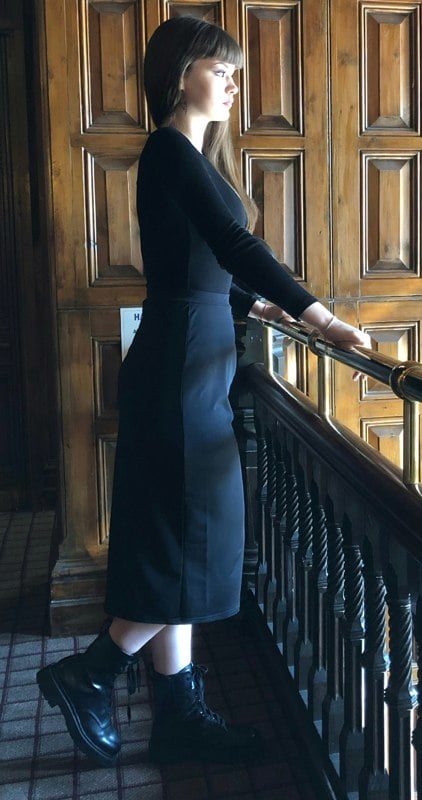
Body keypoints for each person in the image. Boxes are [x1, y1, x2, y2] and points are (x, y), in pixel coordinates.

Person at [36, 15, 371, 768]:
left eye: (231, 70)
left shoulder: (189, 158)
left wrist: (264, 307)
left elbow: (201, 273)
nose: (232, 82)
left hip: (191, 365)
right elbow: (235, 247)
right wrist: (321, 314)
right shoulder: (168, 149)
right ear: (182, 71)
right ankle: (90, 673)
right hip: (178, 373)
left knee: (177, 534)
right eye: (221, 68)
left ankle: (178, 711)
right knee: (192, 537)